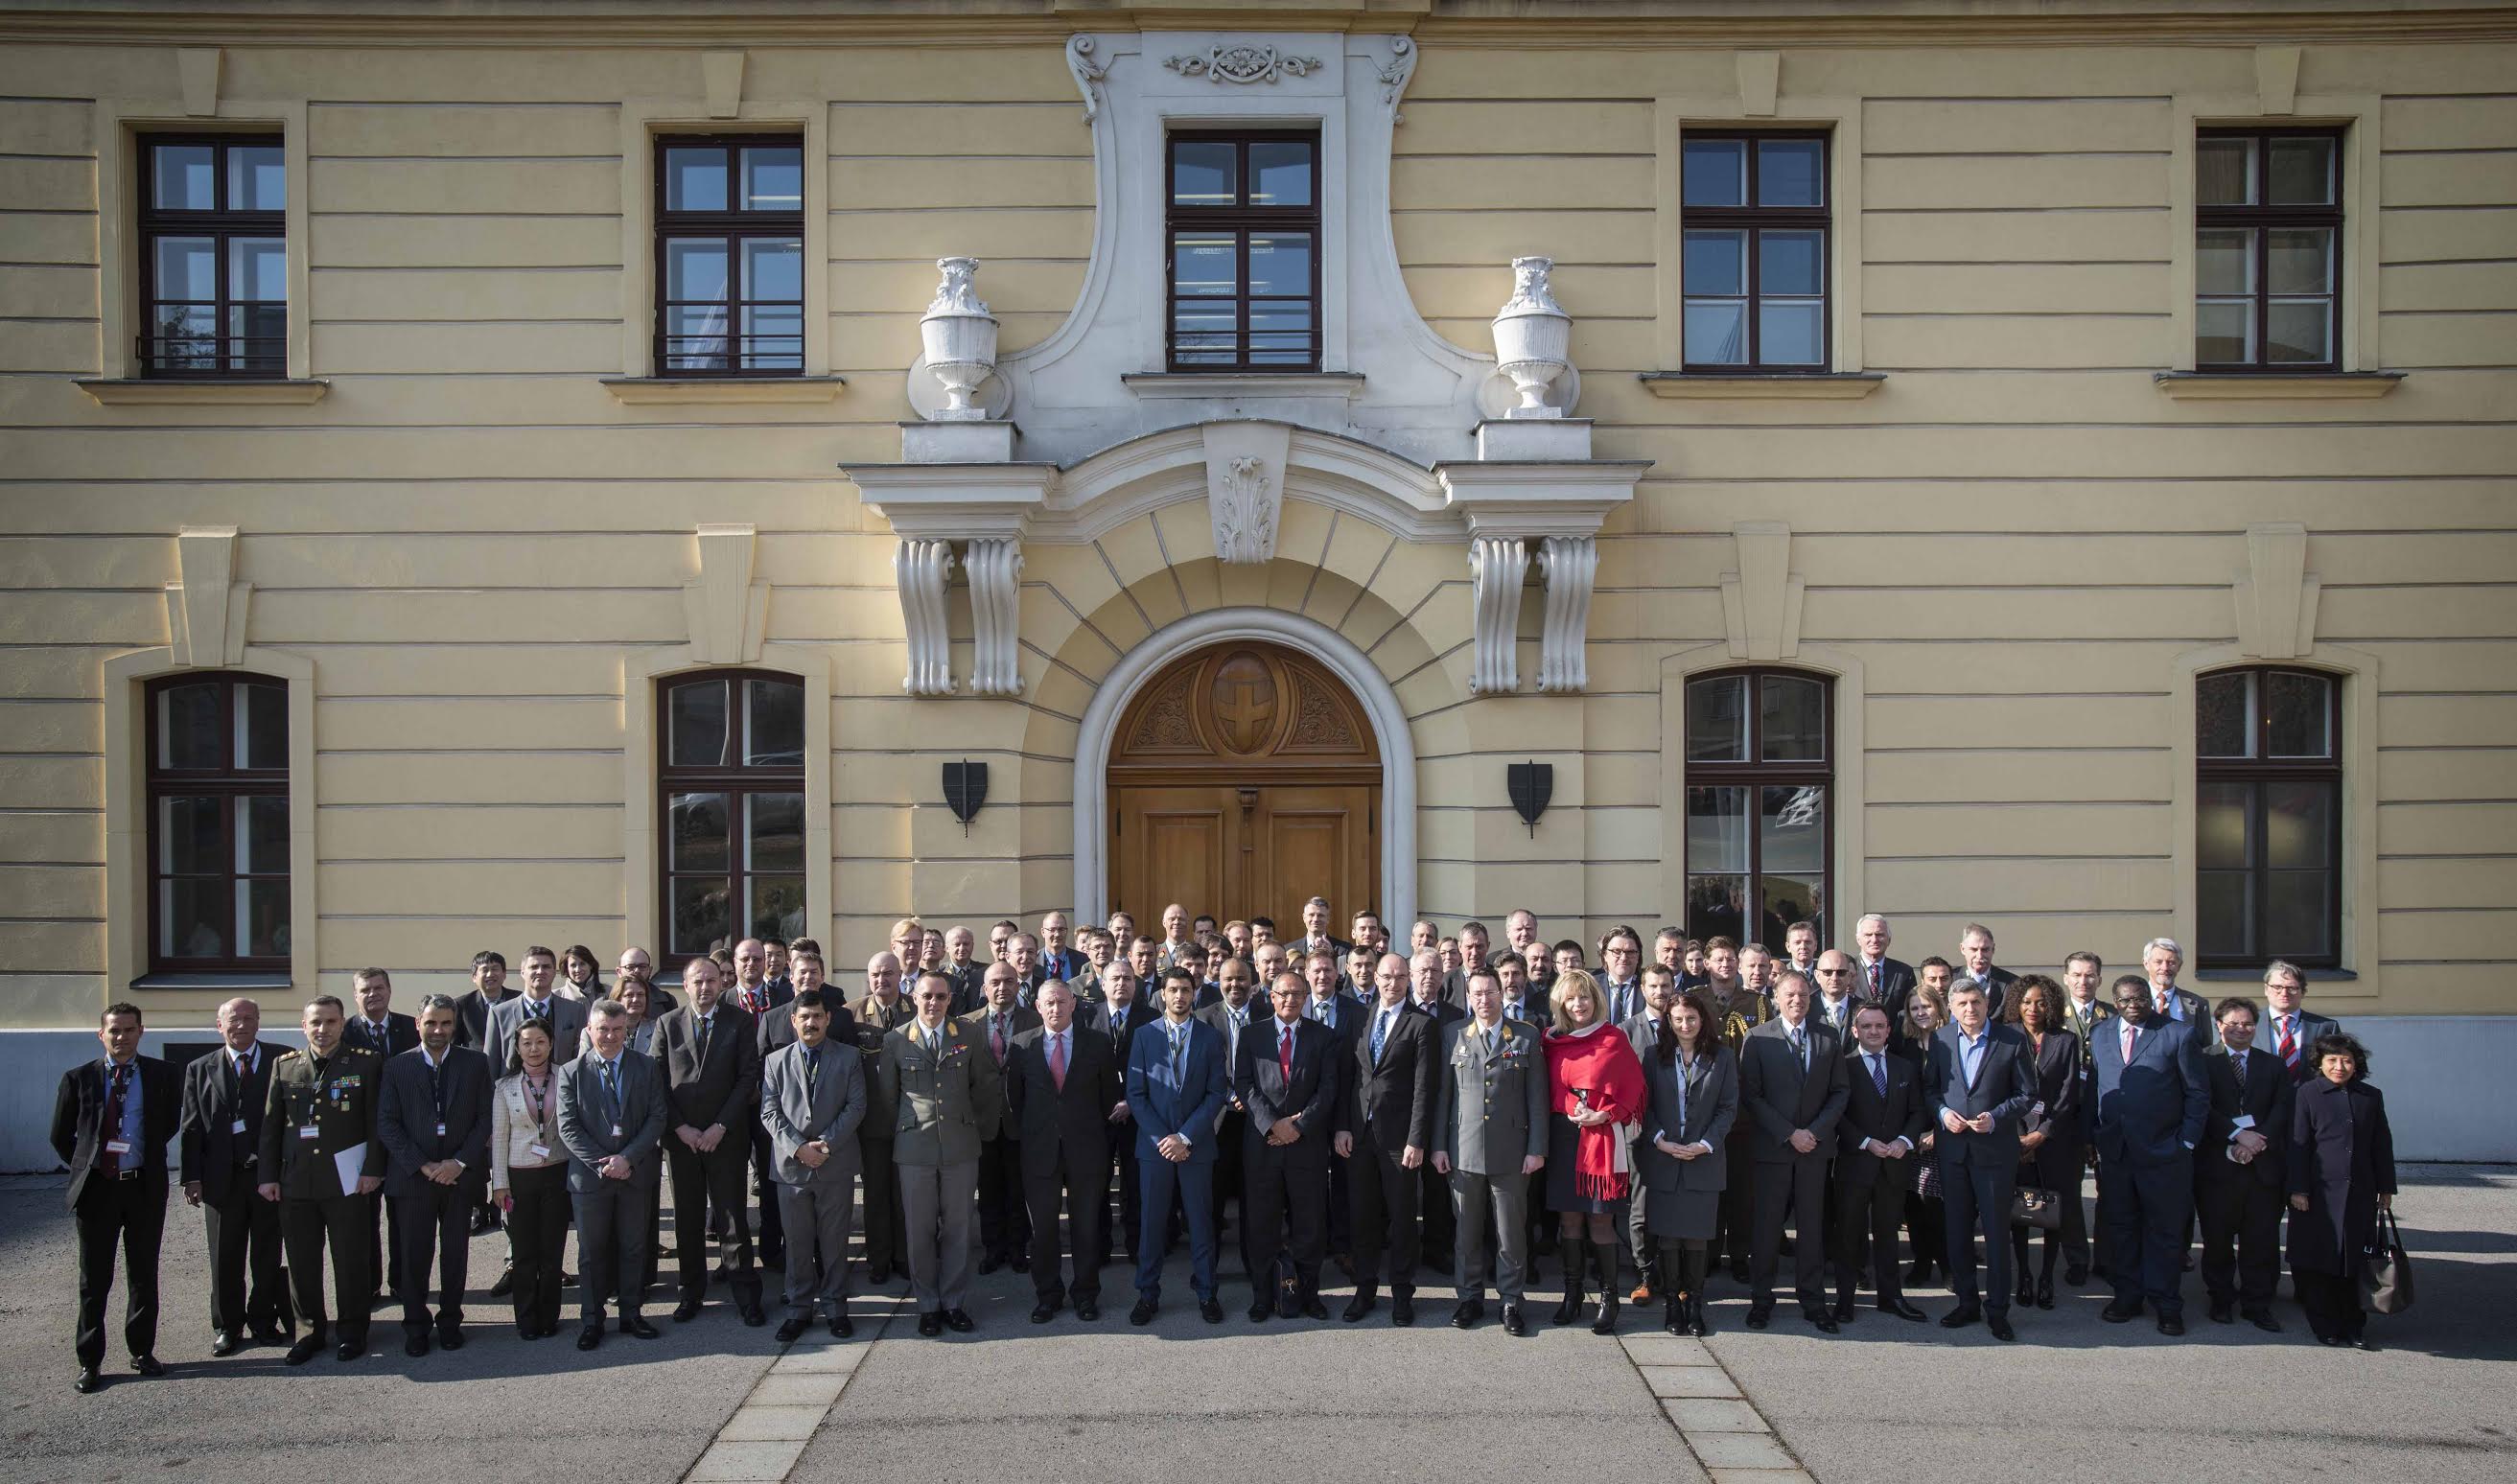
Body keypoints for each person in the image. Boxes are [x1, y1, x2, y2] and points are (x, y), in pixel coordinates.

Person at [54, 1002, 179, 1393]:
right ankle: (90, 1361)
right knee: (95, 1279)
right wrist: (92, 1164)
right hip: (97, 1190)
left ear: (142, 1031)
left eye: (129, 1030)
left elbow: (168, 1124)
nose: (121, 1037)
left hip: (142, 1186)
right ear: (101, 1034)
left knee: (143, 1274)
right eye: (114, 1031)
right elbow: (61, 1135)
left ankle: (142, 1351)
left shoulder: (163, 1075)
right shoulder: (78, 1079)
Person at [260, 995, 385, 1364]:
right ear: (304, 1025)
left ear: (342, 1024)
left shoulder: (365, 1063)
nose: (323, 1029)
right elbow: (271, 1127)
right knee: (302, 1262)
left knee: (350, 1259)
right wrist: (268, 1176)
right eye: (316, 1022)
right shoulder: (285, 1066)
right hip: (296, 1181)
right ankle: (308, 1331)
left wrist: (372, 1170)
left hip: (347, 1181)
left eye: (331, 1022)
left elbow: (375, 1123)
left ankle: (352, 1330)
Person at [879, 971, 1003, 1336]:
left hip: (961, 1146)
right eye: (926, 996)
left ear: (950, 1000)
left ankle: (953, 1302)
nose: (933, 1003)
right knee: (919, 1230)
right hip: (914, 1148)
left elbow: (984, 1086)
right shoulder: (896, 1040)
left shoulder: (968, 1034)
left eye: (940, 997)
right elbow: (888, 1097)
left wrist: (973, 1128)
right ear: (914, 997)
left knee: (958, 1227)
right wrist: (900, 1135)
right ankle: (927, 1305)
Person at [2088, 972, 2208, 1334]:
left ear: (2150, 998)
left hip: (2164, 1152)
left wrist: (2185, 1141)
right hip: (2117, 1152)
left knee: (2165, 1231)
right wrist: (2093, 1137)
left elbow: (2198, 1094)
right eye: (2124, 1000)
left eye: (2139, 998)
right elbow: (2096, 1087)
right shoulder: (2100, 1034)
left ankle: (2167, 1303)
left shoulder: (2178, 1033)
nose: (2133, 1006)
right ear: (2115, 1001)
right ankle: (2127, 1295)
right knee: (2121, 1227)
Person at [375, 993, 495, 1356]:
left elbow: (485, 1119)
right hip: (413, 1179)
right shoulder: (397, 1066)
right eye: (431, 1022)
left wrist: (458, 1162)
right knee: (414, 1254)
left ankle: (450, 1321)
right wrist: (424, 1165)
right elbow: (388, 1123)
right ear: (418, 1024)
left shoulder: (476, 1063)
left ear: (454, 1025)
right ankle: (415, 1325)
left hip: (459, 1176)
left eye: (445, 1023)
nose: (438, 1029)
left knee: (455, 1253)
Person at [1433, 967, 1550, 1333]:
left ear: (1502, 993)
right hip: (1463, 1150)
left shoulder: (1527, 1036)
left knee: (1510, 1233)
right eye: (1477, 994)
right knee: (1466, 1233)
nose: (1484, 1000)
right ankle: (1469, 1298)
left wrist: (1537, 1148)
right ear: (1469, 997)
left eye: (1490, 992)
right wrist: (1438, 1146)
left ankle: (1511, 1301)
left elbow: (1538, 1099)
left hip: (1512, 1153)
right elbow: (1443, 1097)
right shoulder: (1453, 1034)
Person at [652, 956, 766, 1326]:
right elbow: (656, 1082)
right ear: (685, 985)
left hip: (725, 1137)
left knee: (732, 1217)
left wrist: (721, 1126)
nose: (705, 987)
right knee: (687, 1219)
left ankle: (746, 1294)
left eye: (711, 981)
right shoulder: (667, 1024)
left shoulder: (740, 1021)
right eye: (697, 981)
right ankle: (690, 1292)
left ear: (722, 984)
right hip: (682, 1140)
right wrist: (681, 1128)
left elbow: (748, 1077)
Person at [178, 996, 291, 1356]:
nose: (240, 1025)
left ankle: (263, 1320)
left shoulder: (283, 1058)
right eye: (233, 1019)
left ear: (259, 1022)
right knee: (225, 1257)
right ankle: (227, 1326)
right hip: (220, 1181)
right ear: (219, 1025)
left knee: (267, 1254)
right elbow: (192, 1127)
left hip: (267, 1177)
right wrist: (191, 1177)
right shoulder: (200, 1068)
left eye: (248, 1018)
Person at [1925, 979, 2036, 1342]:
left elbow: (2027, 1094)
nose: (1969, 1010)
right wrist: (1942, 1114)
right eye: (1962, 1004)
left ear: (1986, 1003)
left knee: (1995, 1233)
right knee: (1956, 1231)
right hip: (1954, 1150)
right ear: (1952, 1008)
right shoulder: (1941, 1041)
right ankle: (1967, 1302)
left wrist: (1997, 1116)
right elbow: (1930, 1090)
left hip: (1994, 1153)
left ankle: (1999, 1310)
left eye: (1975, 1002)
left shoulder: (2011, 1040)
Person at [555, 998, 668, 1350]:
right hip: (591, 1178)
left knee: (634, 1247)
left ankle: (632, 1314)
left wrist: (628, 1159)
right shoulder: (571, 1072)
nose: (610, 1036)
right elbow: (568, 1127)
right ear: (590, 1030)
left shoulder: (646, 1066)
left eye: (618, 1030)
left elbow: (657, 1117)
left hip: (635, 1174)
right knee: (592, 1251)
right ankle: (592, 1319)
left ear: (627, 1030)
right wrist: (604, 1162)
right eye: (603, 1029)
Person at [1739, 970, 1849, 1333]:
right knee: (1767, 1228)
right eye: (1790, 994)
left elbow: (1839, 1092)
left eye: (1803, 994)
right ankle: (1761, 1299)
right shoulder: (1756, 1038)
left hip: (1815, 1150)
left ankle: (1814, 1300)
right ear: (1777, 997)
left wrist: (1813, 1133)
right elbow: (1751, 1095)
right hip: (1773, 1149)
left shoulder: (1828, 1036)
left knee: (1812, 1226)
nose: (1797, 1001)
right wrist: (1789, 1133)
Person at [1006, 981, 1121, 1324]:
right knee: (1043, 1228)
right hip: (1039, 1152)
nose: (1055, 1008)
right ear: (1038, 1007)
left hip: (1087, 1150)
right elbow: (1014, 1102)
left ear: (1073, 1003)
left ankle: (1086, 1294)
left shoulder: (1098, 1044)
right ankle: (1048, 1295)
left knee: (1086, 1226)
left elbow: (1108, 1098)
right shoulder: (1021, 1045)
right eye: (1048, 1003)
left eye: (1061, 1001)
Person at [1542, 968, 1648, 1335]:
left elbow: (1634, 1089)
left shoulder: (1613, 1039)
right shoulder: (1551, 1042)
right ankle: (1571, 1296)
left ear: (1595, 1000)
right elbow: (1548, 1088)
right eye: (1570, 998)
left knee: (1600, 1220)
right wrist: (1574, 1108)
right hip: (1564, 1136)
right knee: (1570, 1220)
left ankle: (1609, 1298)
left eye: (1584, 997)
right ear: (1561, 1004)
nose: (1578, 1004)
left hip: (1602, 1137)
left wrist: (1604, 1114)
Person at [1337, 953, 1438, 1327]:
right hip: (1360, 1135)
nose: (1392, 983)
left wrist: (1417, 1139)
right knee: (1363, 1218)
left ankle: (1401, 1292)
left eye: (1399, 977)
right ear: (1374, 979)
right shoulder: (1359, 1019)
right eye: (1386, 977)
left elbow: (1425, 1088)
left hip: (1400, 1140)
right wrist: (1343, 1126)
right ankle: (1364, 1289)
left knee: (1401, 1220)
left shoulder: (1421, 1024)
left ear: (1408, 979)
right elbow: (1351, 1078)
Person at [1126, 965, 1230, 1326]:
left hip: (1196, 1146)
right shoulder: (1143, 1035)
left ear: (1194, 993)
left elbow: (1217, 1093)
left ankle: (1207, 1293)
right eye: (1173, 990)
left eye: (1186, 989)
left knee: (1201, 1223)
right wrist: (1164, 1140)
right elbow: (1136, 1095)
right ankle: (1147, 1294)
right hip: (1154, 1150)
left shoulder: (1210, 1037)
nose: (1180, 996)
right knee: (1152, 1224)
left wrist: (1185, 1137)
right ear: (1163, 994)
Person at [760, 989, 867, 1341]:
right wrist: (798, 1147)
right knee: (798, 1243)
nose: (811, 1022)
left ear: (827, 1019)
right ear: (793, 1021)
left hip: (834, 1164)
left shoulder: (849, 1057)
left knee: (835, 1242)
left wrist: (825, 1144)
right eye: (804, 1017)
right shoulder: (776, 1061)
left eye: (817, 1016)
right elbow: (770, 1112)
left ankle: (836, 1307)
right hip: (792, 1169)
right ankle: (799, 1309)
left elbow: (856, 1106)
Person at [1238, 970, 1339, 1322]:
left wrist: (1299, 1125)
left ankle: (1310, 1295)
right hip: (1263, 1145)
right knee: (1262, 1224)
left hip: (1305, 1145)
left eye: (1298, 993)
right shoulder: (1251, 1035)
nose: (1290, 999)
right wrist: (1273, 1124)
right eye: (1283, 993)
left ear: (1306, 996)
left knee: (1309, 1224)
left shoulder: (1323, 1036)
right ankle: (1263, 1296)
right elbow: (1244, 1085)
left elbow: (1328, 1089)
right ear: (1271, 996)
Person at [2287, 1031, 2395, 1349]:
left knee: (2355, 1261)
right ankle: (2325, 1324)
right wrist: (2298, 1189)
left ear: (2356, 1064)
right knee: (2321, 1261)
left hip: (2360, 1192)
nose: (2339, 1066)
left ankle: (2355, 1325)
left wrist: (2386, 1186)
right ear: (2320, 1063)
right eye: (2332, 1060)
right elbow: (2298, 1145)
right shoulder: (2307, 1093)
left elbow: (2381, 1143)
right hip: (2318, 1194)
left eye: (2346, 1060)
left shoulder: (2369, 1096)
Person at [1639, 990, 1736, 1336]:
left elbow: (1728, 1107)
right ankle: (1672, 1305)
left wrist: (1705, 1144)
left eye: (1691, 1018)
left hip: (1703, 1159)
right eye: (1677, 1019)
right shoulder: (1653, 1057)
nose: (1684, 1024)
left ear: (1703, 1020)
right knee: (1667, 1238)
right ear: (1668, 1021)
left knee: (1696, 1238)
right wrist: (1658, 1138)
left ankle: (1694, 1303)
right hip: (1664, 1156)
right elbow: (1643, 1105)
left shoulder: (1722, 1057)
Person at [2199, 997, 2294, 1331]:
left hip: (2262, 1165)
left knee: (2261, 1240)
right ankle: (2221, 1299)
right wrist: (2237, 1134)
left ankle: (2258, 1303)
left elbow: (2282, 1108)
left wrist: (2256, 1141)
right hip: (2217, 1167)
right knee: (2218, 1240)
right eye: (2233, 1023)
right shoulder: (2202, 1060)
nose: (2241, 1029)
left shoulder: (2273, 1065)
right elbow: (2200, 1106)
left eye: (2248, 1024)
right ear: (2218, 1024)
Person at [1831, 1002, 1926, 1324]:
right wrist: (1865, 1141)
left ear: (1888, 1030)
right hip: (1856, 1162)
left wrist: (1905, 1141)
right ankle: (1845, 1299)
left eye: (1879, 1026)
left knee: (1888, 1235)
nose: (1874, 1032)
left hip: (1894, 1164)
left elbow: (1917, 1111)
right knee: (1848, 1234)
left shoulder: (1904, 1068)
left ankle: (1891, 1297)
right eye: (1867, 1027)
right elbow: (1837, 1113)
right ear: (1855, 1031)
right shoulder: (1843, 1066)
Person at [2003, 975, 2081, 1312]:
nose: (2032, 1009)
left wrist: (2042, 1132)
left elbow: (2069, 1094)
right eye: (2026, 1002)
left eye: (2040, 1002)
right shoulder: (2006, 1037)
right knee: (2019, 1211)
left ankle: (2047, 1275)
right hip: (2014, 1140)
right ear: (2016, 1004)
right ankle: (2024, 1276)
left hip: (2053, 1141)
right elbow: (2002, 1088)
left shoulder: (2065, 1041)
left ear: (2051, 1005)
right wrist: (2020, 1136)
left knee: (2051, 1212)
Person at [489, 1018, 570, 1340]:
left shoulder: (567, 1076)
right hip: (519, 1175)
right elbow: (499, 1137)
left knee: (552, 1251)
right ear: (518, 1047)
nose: (534, 1049)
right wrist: (499, 1183)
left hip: (558, 1170)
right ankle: (525, 1319)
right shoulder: (504, 1087)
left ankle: (549, 1316)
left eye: (540, 1041)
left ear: (550, 1043)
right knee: (524, 1254)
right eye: (526, 1043)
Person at [962, 961, 1039, 1275]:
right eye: (995, 981)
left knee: (1019, 1190)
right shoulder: (965, 1025)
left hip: (1021, 1122)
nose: (1002, 987)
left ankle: (1019, 1249)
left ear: (1018, 985)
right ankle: (993, 1249)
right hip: (981, 1123)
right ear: (984, 987)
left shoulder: (1035, 1021)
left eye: (1009, 981)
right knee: (989, 1191)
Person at [1200, 954, 1265, 1284]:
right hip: (1216, 1123)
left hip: (1256, 1121)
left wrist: (1249, 1097)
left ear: (1253, 984)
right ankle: (1206, 1271)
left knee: (1254, 1200)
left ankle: (1255, 1268)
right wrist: (1228, 1095)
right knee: (1211, 1201)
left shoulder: (1268, 1015)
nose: (1235, 985)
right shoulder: (1202, 1018)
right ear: (1218, 981)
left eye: (1241, 979)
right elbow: (1200, 1070)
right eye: (1228, 979)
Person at [851, 951, 916, 1283]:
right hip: (871, 1123)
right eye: (875, 974)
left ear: (900, 974)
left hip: (910, 1121)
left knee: (906, 1195)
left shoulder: (916, 1010)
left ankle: (905, 1257)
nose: (882, 980)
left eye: (888, 973)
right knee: (875, 1195)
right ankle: (878, 1259)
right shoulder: (853, 1015)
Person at [2056, 950, 2111, 1283]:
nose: (2083, 981)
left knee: (2110, 1192)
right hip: (2069, 1114)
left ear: (2099, 979)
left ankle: (2106, 1259)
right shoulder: (2054, 1018)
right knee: (2070, 1192)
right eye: (2076, 975)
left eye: (2090, 975)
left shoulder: (2114, 1016)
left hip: (2104, 1112)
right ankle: (2077, 1258)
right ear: (2066, 978)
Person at [1891, 982, 1948, 1287]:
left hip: (1946, 1135)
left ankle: (1948, 1265)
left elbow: (1959, 1094)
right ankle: (1921, 1262)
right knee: (1914, 1205)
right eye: (1914, 1008)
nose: (1920, 1012)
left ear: (1938, 1007)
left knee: (1938, 1207)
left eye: (1925, 1006)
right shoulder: (1906, 1046)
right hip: (1912, 1138)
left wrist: (1938, 1132)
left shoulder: (1952, 1042)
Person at [488, 945, 589, 1069]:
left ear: (554, 972)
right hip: (512, 1085)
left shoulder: (575, 1010)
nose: (540, 971)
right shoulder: (499, 1013)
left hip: (561, 1085)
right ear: (522, 972)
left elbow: (582, 1058)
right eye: (534, 967)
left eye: (546, 967)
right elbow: (490, 1062)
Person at [2260, 960, 2340, 1083]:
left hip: (2309, 1100)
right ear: (2266, 989)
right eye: (2277, 987)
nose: (2284, 993)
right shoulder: (2247, 1024)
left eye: (2291, 988)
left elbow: (2335, 1069)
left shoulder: (2326, 1027)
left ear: (2303, 992)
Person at [1853, 913, 1917, 1017]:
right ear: (1858, 940)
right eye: (1868, 935)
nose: (1874, 940)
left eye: (1879, 935)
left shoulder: (1904, 972)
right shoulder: (1847, 970)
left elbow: (1909, 1010)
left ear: (1889, 940)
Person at [1954, 923, 2017, 1021]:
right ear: (1962, 949)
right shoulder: (1949, 979)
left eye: (1985, 950)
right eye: (1974, 949)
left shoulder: (2012, 982)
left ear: (1993, 949)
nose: (1979, 955)